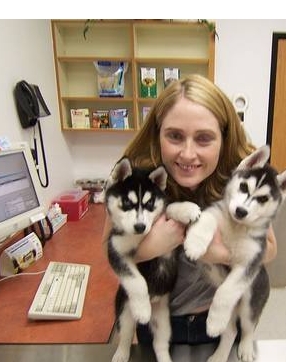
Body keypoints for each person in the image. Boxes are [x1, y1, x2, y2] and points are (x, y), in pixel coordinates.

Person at [102, 74, 277, 344]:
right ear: (157, 132)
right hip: (159, 320)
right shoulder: (135, 181)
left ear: (224, 138)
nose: (187, 153)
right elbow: (107, 250)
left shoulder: (239, 181)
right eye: (174, 136)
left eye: (204, 138)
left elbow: (270, 249)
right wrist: (148, 248)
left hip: (221, 320)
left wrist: (219, 253)